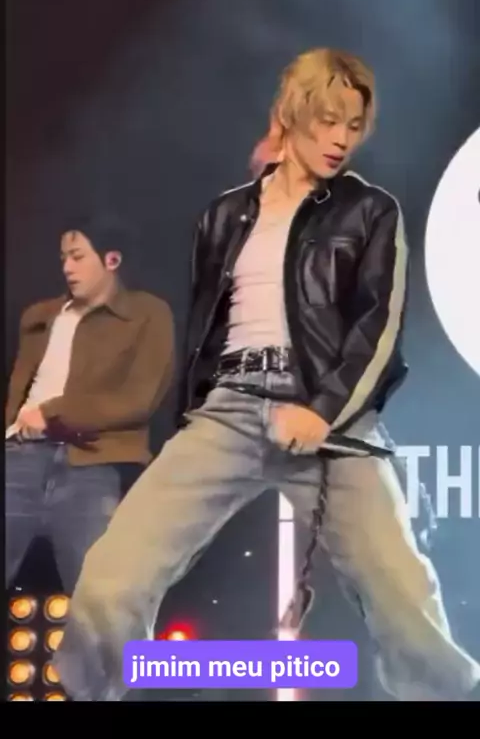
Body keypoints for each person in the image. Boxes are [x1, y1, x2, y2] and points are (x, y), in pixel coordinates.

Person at [54, 49, 480, 701]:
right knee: (113, 572)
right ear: (291, 115)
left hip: (331, 421)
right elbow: (208, 326)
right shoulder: (224, 216)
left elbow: (377, 328)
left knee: (402, 592)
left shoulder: (370, 212)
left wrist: (322, 411)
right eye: (328, 120)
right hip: (228, 412)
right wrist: (197, 415)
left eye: (354, 125)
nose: (341, 138)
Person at [6, 215, 175, 596]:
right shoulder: (40, 315)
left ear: (111, 260)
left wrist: (52, 412)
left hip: (92, 464)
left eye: (78, 256)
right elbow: (18, 389)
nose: (67, 267)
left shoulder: (147, 313)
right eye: (63, 258)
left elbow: (139, 399)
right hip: (19, 456)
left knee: (100, 597)